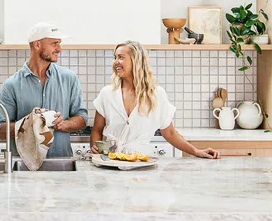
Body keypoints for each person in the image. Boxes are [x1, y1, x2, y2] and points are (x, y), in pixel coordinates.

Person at [90, 40, 219, 159]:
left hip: (141, 164)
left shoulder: (157, 95)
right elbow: (97, 130)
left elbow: (169, 133)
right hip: (111, 163)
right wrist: (96, 154)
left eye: (121, 57)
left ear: (136, 61)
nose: (115, 62)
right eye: (115, 57)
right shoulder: (107, 94)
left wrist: (196, 151)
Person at [0, 22, 87, 158]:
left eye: (59, 43)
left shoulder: (69, 78)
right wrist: (28, 124)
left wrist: (64, 124)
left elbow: (82, 119)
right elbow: (0, 130)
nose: (59, 49)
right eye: (54, 43)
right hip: (24, 166)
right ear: (37, 45)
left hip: (61, 163)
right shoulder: (11, 85)